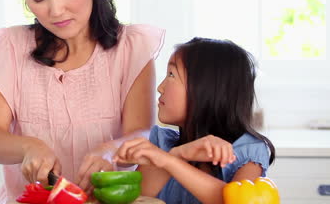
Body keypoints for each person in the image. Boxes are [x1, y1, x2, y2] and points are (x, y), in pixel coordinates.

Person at [0, 0, 164, 203]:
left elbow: (142, 132)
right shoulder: (11, 46)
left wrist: (110, 150)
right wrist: (28, 147)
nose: (55, 10)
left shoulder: (131, 46)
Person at [113, 38, 276, 204]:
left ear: (207, 90)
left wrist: (171, 161)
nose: (160, 87)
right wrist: (178, 154)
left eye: (171, 75)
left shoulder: (248, 151)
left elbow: (237, 200)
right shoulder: (162, 143)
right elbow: (137, 197)